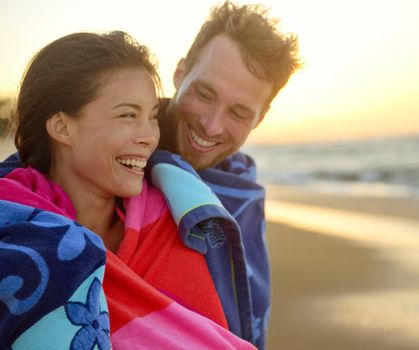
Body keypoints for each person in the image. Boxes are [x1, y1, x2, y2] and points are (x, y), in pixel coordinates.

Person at [0, 31, 254, 349]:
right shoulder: (13, 228)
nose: (149, 136)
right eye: (128, 115)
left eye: (153, 117)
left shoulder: (171, 225)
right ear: (62, 127)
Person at [150, 1, 302, 348]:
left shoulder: (241, 191)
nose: (212, 125)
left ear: (260, 118)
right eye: (204, 94)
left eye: (239, 112)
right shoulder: (112, 154)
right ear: (179, 73)